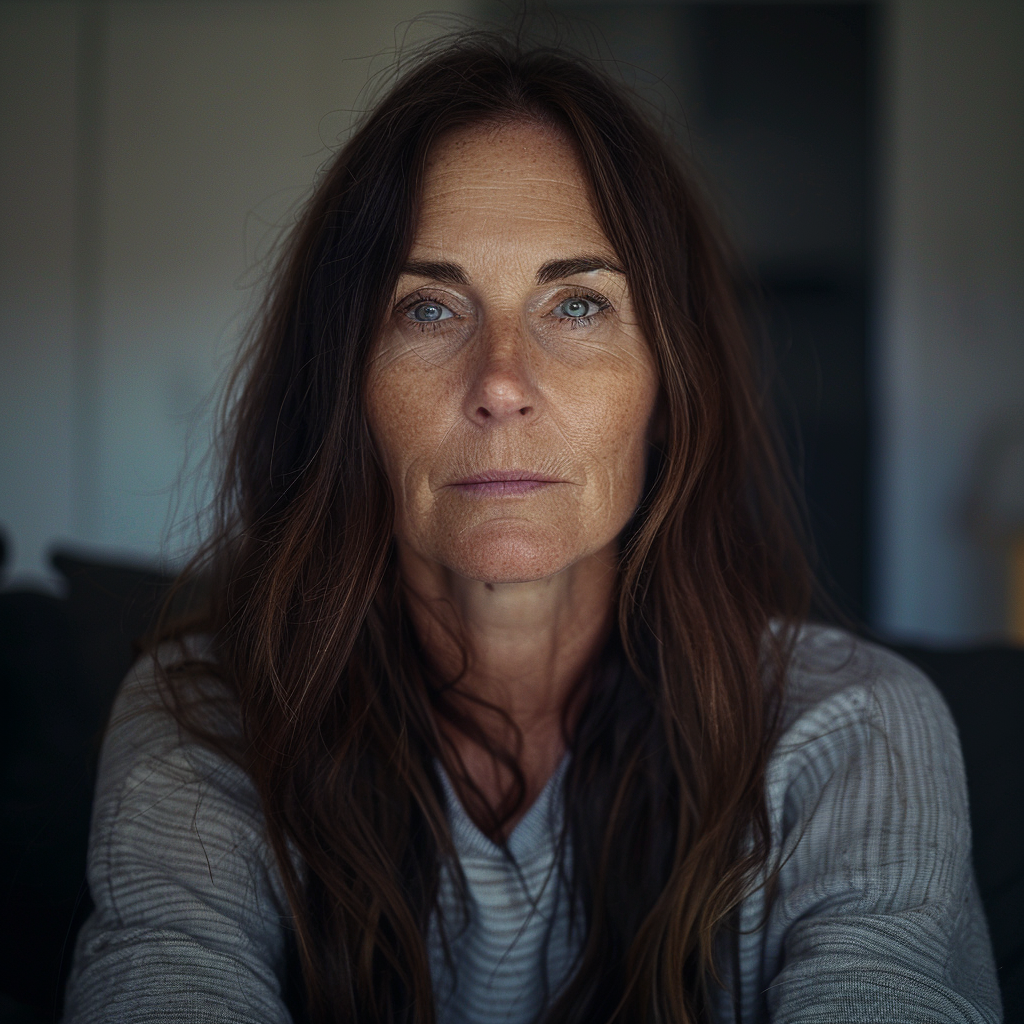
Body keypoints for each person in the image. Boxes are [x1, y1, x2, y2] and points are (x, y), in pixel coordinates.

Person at [62, 34, 1001, 1024]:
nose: (502, 382)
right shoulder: (204, 722)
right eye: (427, 308)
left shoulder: (853, 738)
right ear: (345, 387)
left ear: (667, 386)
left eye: (577, 304)